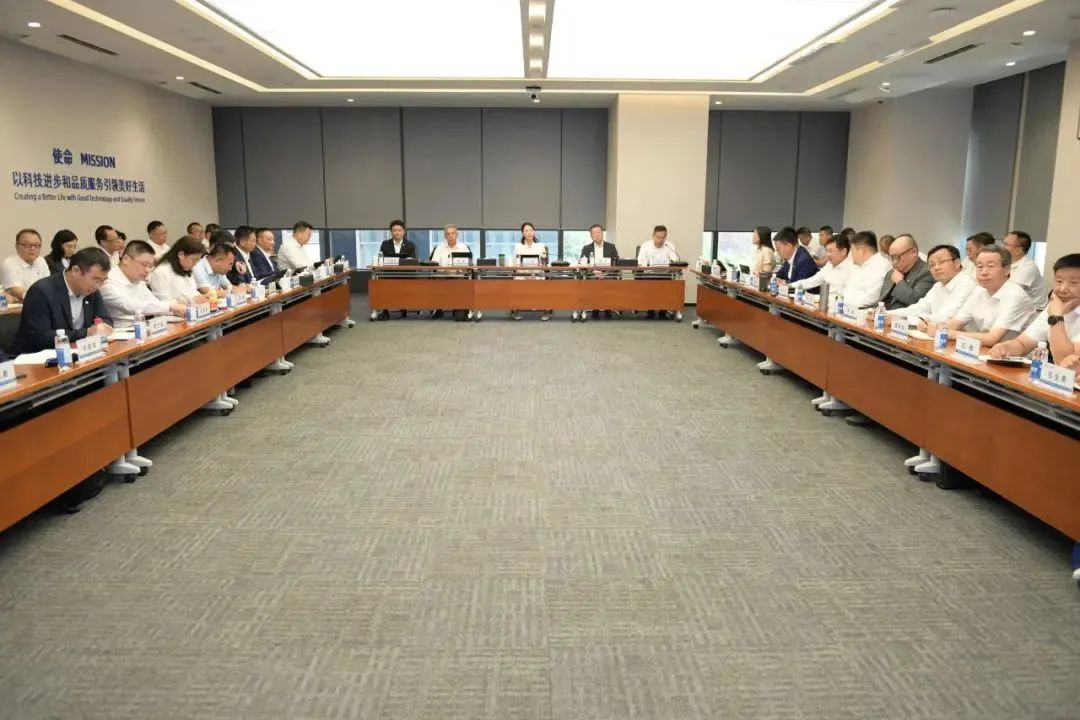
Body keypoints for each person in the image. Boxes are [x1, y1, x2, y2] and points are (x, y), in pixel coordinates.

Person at [13, 247, 113, 353]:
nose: (98, 286)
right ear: (75, 271)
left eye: (103, 281)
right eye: (96, 280)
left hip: (80, 353)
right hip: (42, 356)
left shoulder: (91, 289)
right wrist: (86, 333)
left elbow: (105, 318)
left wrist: (102, 327)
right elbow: (40, 336)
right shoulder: (41, 291)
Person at [990, 253, 1080, 368]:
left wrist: (1056, 317)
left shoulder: (1055, 310)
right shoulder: (1055, 306)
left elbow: (1067, 363)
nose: (1062, 289)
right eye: (1059, 281)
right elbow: (1023, 344)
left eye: (1073, 283)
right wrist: (1005, 347)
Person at [946, 245, 1035, 347]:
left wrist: (951, 334)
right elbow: (955, 323)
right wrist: (939, 327)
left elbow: (992, 339)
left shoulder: (1016, 296)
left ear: (1007, 270)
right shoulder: (978, 291)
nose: (984, 272)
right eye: (980, 267)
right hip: (984, 350)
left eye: (991, 266)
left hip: (1014, 354)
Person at [100, 240, 186, 328]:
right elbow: (130, 306)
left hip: (144, 326)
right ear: (126, 259)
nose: (147, 270)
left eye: (150, 266)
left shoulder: (138, 280)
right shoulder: (107, 281)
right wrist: (169, 306)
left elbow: (153, 302)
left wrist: (175, 309)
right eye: (144, 265)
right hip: (121, 330)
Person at [886, 244, 977, 327]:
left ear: (957, 263)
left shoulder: (966, 284)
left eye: (942, 262)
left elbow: (945, 317)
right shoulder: (938, 285)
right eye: (932, 265)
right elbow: (919, 308)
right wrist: (886, 313)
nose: (936, 268)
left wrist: (902, 319)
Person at [875, 234, 934, 311]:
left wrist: (899, 282)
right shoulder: (891, 273)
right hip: (880, 314)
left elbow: (916, 302)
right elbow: (881, 301)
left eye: (897, 257)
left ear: (913, 252)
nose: (894, 262)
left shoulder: (927, 272)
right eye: (891, 258)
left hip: (901, 316)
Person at [149, 234, 210, 306]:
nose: (195, 264)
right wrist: (190, 302)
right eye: (194, 260)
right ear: (181, 254)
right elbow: (164, 304)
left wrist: (203, 298)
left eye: (198, 260)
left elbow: (193, 293)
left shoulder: (185, 268)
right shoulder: (161, 272)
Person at [429, 225, 472, 320]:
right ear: (445, 236)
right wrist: (443, 269)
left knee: (461, 284)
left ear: (457, 235)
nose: (451, 236)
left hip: (459, 275)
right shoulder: (439, 248)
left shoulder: (463, 247)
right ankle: (438, 308)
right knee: (436, 283)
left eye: (453, 233)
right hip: (442, 275)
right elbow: (434, 264)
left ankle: (458, 307)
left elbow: (469, 264)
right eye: (448, 234)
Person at [510, 221, 551, 322]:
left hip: (537, 274)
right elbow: (515, 264)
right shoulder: (517, 246)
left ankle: (546, 310)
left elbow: (544, 264)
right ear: (523, 233)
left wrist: (534, 274)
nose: (529, 232)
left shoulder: (540, 246)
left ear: (534, 232)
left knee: (543, 283)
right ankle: (515, 310)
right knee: (516, 281)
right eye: (526, 230)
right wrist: (526, 275)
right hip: (522, 274)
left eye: (531, 230)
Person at [637, 225, 679, 319]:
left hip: (665, 274)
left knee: (667, 286)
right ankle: (650, 311)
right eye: (658, 237)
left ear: (665, 237)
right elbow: (639, 262)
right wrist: (648, 265)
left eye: (662, 237)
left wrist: (669, 263)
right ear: (653, 236)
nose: (660, 240)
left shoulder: (669, 245)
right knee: (649, 287)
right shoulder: (645, 245)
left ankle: (663, 312)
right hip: (649, 274)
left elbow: (674, 261)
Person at [844, 230, 892, 309]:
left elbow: (870, 299)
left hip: (862, 312)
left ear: (862, 250)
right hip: (847, 308)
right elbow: (847, 292)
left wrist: (843, 302)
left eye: (852, 250)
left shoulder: (882, 266)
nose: (850, 254)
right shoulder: (860, 266)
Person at [1002, 230, 1049, 310]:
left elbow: (1011, 293)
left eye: (1006, 244)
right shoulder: (1006, 263)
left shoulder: (1028, 267)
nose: (1001, 247)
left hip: (1035, 311)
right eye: (1003, 243)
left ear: (1018, 250)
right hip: (1018, 307)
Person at [580, 223, 619, 319]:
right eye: (594, 233)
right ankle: (595, 308)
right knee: (594, 283)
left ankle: (607, 308)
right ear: (591, 236)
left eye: (598, 232)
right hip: (592, 275)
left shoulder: (611, 247)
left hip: (608, 275)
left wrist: (605, 274)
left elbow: (616, 264)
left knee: (607, 283)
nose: (596, 235)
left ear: (602, 233)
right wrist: (594, 272)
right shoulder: (586, 248)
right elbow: (582, 264)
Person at [1, 229, 51, 302]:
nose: (32, 248)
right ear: (17, 247)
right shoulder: (9, 263)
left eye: (36, 245)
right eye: (27, 245)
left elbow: (49, 287)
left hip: (39, 303)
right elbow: (17, 292)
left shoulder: (41, 261)